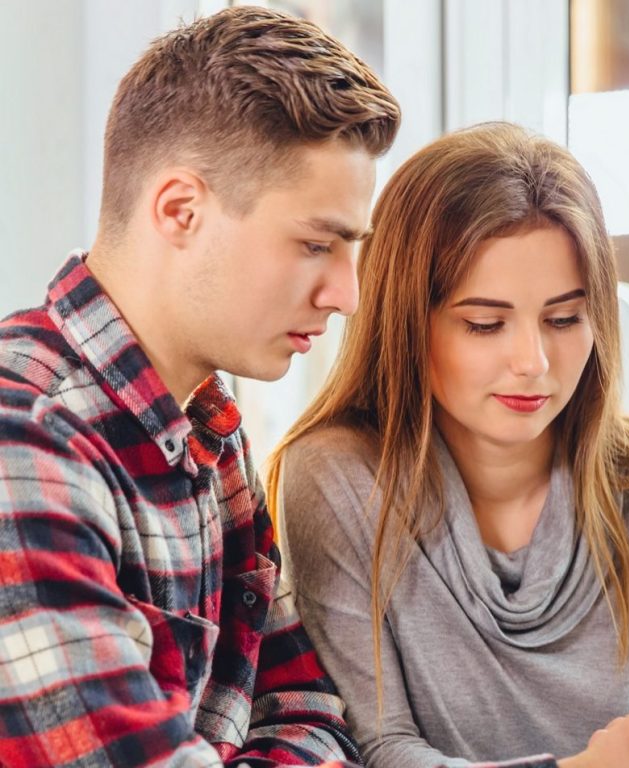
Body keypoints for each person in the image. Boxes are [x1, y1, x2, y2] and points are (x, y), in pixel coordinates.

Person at [271, 122, 629, 768]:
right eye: (485, 324)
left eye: (565, 318)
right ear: (405, 322)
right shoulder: (337, 479)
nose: (533, 361)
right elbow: (378, 750)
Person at [0, 6, 401, 766]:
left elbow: (312, 713)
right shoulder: (25, 435)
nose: (347, 295)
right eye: (317, 243)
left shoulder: (212, 431)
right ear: (180, 210)